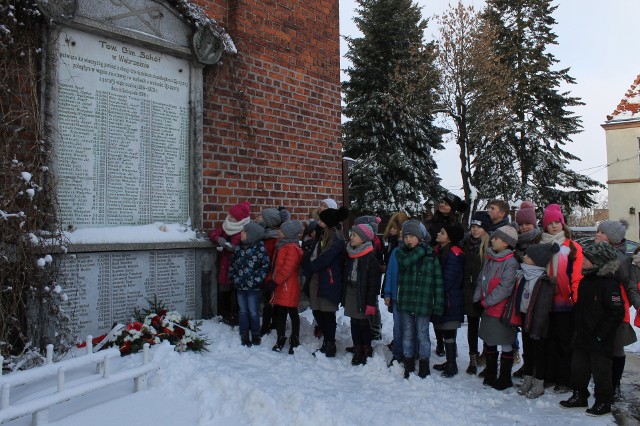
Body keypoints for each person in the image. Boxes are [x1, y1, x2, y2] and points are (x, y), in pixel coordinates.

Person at [559, 242, 624, 417]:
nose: (583, 261)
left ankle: (604, 401)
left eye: (587, 258)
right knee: (578, 367)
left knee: (601, 371)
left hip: (600, 338)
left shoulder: (609, 283)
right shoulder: (586, 281)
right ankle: (579, 395)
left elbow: (616, 311)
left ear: (598, 261)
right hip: (582, 334)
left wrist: (601, 335)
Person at [594, 220, 640, 400]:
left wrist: (636, 304)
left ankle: (614, 384)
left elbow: (629, 285)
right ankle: (608, 384)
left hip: (616, 308)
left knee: (616, 347)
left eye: (602, 232)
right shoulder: (596, 252)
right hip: (600, 306)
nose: (597, 234)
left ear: (612, 238)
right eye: (597, 231)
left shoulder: (619, 259)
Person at [540, 204, 583, 393]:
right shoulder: (540, 245)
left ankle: (565, 379)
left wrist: (576, 298)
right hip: (544, 302)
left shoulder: (572, 247)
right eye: (550, 223)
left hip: (565, 302)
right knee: (547, 341)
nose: (554, 226)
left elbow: (577, 275)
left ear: (563, 224)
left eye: (557, 222)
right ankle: (549, 375)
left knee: (564, 342)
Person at [507, 243, 559, 399]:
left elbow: (542, 307)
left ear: (537, 260)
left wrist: (537, 327)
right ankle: (527, 379)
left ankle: (539, 383)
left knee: (539, 353)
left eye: (528, 256)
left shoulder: (543, 281)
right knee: (527, 352)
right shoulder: (523, 275)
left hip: (538, 323)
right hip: (525, 318)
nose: (524, 257)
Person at [396, 219, 444, 379]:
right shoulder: (401, 253)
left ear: (420, 237)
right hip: (407, 301)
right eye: (405, 236)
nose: (408, 239)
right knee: (408, 334)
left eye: (412, 236)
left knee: (423, 334)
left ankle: (424, 362)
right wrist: (422, 249)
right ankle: (408, 362)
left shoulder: (431, 256)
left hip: (423, 302)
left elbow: (438, 282)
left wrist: (438, 304)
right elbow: (407, 261)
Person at [473, 225, 520, 390]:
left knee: (505, 342)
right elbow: (481, 279)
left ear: (506, 243)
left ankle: (505, 376)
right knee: (489, 340)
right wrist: (477, 299)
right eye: (493, 238)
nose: (492, 240)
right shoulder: (489, 258)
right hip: (487, 308)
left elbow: (505, 288)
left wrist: (486, 302)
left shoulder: (510, 262)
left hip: (502, 310)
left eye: (496, 239)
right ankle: (491, 372)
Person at [303, 205, 348, 357]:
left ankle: (330, 343)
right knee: (317, 310)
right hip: (317, 279)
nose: (318, 222)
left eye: (321, 220)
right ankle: (327, 340)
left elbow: (326, 257)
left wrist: (311, 266)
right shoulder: (323, 235)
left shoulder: (336, 238)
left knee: (327, 313)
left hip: (329, 280)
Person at [426, 193, 467, 356]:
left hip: (448, 261)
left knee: (448, 312)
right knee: (436, 310)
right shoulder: (432, 222)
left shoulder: (456, 225)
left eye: (446, 203)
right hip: (434, 258)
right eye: (441, 201)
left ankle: (450, 345)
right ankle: (440, 343)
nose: (442, 205)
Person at [208, 201, 252, 326]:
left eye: (232, 217)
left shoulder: (245, 229)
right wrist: (219, 239)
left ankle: (237, 316)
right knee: (224, 289)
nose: (229, 218)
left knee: (237, 292)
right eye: (230, 215)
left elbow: (248, 246)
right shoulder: (226, 226)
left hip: (239, 265)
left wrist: (234, 248)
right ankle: (226, 314)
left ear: (239, 219)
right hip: (225, 264)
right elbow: (213, 233)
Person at [511, 200, 542, 377]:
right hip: (521, 291)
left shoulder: (541, 240)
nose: (524, 227)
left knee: (535, 334)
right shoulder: (515, 243)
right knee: (524, 333)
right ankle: (528, 366)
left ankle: (538, 369)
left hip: (537, 293)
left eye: (527, 223)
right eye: (521, 224)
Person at [343, 223, 381, 365]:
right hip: (351, 292)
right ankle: (357, 346)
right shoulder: (350, 253)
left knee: (363, 322)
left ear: (363, 239)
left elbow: (373, 284)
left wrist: (371, 303)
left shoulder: (370, 258)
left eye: (354, 235)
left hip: (363, 295)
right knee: (354, 321)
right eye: (351, 234)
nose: (351, 237)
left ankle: (366, 348)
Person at [228, 222, 270, 347]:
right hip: (240, 284)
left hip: (253, 286)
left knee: (253, 311)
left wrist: (257, 279)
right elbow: (233, 264)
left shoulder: (259, 248)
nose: (241, 233)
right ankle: (244, 333)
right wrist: (233, 277)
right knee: (242, 310)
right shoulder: (239, 248)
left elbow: (265, 265)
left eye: (244, 231)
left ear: (251, 235)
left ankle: (255, 333)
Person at [432, 224, 465, 378]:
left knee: (449, 331)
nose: (439, 233)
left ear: (450, 237)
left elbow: (448, 279)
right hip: (443, 297)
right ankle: (449, 360)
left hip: (450, 299)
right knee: (445, 331)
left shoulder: (454, 254)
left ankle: (452, 365)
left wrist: (434, 288)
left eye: (442, 232)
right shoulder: (439, 250)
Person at [267, 220, 304, 354]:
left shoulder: (292, 249)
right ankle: (280, 337)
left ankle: (295, 338)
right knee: (281, 312)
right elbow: (276, 267)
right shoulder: (281, 246)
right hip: (280, 286)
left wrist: (275, 281)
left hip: (289, 286)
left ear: (288, 234)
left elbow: (287, 269)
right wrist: (271, 279)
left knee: (292, 312)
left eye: (281, 231)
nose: (279, 232)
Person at [463, 211, 491, 375]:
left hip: (486, 293)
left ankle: (487, 356)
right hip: (469, 290)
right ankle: (472, 357)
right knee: (472, 325)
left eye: (478, 227)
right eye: (473, 227)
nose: (475, 230)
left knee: (487, 327)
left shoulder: (489, 246)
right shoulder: (466, 244)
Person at [257, 207, 285, 336]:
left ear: (269, 221)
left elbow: (273, 258)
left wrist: (270, 275)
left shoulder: (274, 238)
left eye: (262, 216)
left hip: (271, 274)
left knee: (270, 301)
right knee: (267, 299)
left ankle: (268, 325)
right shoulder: (265, 235)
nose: (258, 217)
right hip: (264, 272)